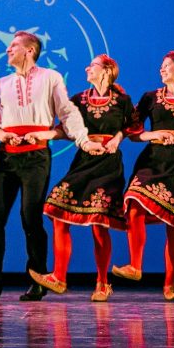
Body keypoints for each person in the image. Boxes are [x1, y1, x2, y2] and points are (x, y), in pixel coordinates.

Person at [0, 31, 104, 301]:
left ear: (30, 50)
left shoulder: (51, 77)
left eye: (13, 46)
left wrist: (84, 140)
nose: (8, 50)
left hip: (36, 157)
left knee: (30, 217)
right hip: (6, 157)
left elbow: (67, 112)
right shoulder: (0, 84)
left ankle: (38, 279)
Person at [28, 55, 137, 302]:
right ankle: (59, 276)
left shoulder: (122, 100)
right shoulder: (79, 99)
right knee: (57, 209)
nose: (87, 68)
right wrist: (43, 134)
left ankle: (102, 283)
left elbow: (132, 126)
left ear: (106, 70)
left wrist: (117, 138)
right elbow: (66, 129)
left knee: (99, 222)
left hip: (108, 164)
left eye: (93, 65)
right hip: (84, 161)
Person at [111, 51, 174, 301]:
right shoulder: (150, 97)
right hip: (154, 159)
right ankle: (135, 265)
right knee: (134, 201)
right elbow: (133, 131)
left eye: (167, 65)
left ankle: (170, 284)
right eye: (161, 66)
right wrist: (154, 134)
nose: (162, 69)